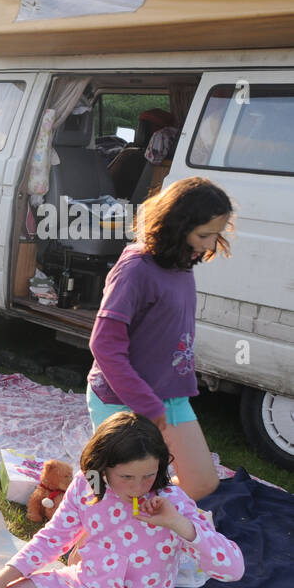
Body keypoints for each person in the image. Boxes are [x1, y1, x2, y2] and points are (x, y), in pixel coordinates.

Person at [0, 412, 242, 588]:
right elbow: (53, 538)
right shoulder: (88, 484)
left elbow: (232, 569)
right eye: (126, 477)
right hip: (79, 583)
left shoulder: (172, 504)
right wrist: (2, 579)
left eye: (149, 475)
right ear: (102, 467)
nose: (138, 487)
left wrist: (179, 524)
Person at [87, 177, 233, 501]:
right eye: (204, 235)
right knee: (120, 490)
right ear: (177, 226)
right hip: (125, 398)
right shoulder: (136, 268)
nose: (210, 245)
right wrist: (145, 403)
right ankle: (88, 538)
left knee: (201, 485)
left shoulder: (182, 264)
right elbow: (104, 345)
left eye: (216, 235)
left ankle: (144, 506)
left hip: (171, 397)